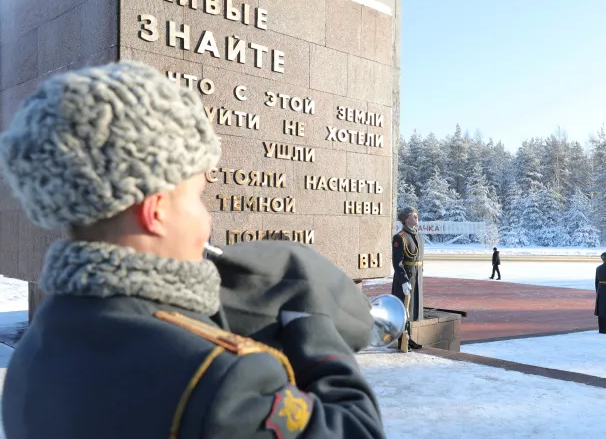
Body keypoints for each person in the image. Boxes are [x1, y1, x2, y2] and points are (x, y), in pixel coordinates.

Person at [0, 61, 385, 439]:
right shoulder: (223, 379)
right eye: (198, 197)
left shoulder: (35, 350)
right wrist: (314, 329)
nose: (205, 220)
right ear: (157, 210)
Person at [391, 206, 424, 350]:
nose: (416, 217)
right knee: (403, 310)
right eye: (412, 215)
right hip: (405, 278)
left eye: (416, 214)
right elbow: (397, 262)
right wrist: (403, 280)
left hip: (416, 278)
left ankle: (409, 337)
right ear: (405, 220)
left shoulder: (418, 235)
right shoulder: (400, 237)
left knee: (412, 309)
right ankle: (401, 340)